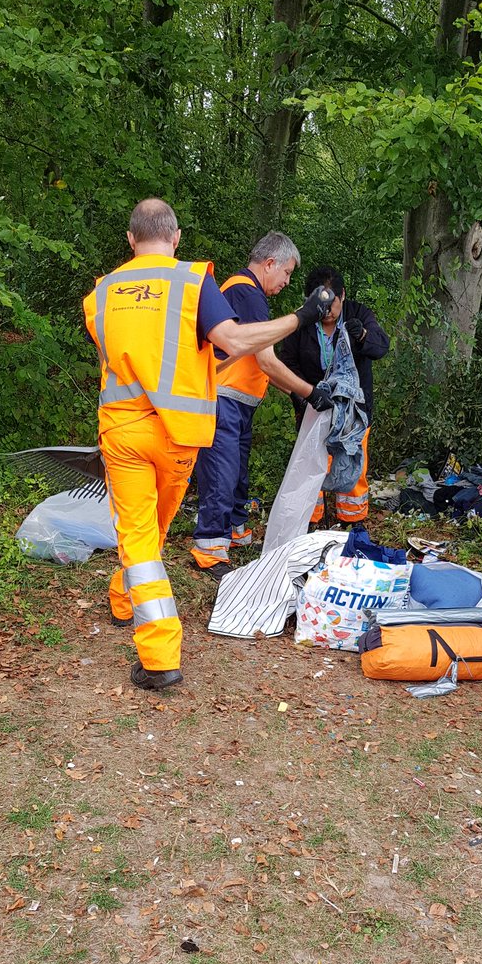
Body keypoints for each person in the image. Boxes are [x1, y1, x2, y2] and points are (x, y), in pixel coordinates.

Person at [82, 198, 336, 691]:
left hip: (124, 430)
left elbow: (117, 354)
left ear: (131, 240)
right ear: (175, 238)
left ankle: (123, 597)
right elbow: (236, 343)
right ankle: (158, 654)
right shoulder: (193, 281)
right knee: (146, 530)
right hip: (180, 435)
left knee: (141, 531)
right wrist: (302, 317)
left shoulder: (102, 293)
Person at [190, 233, 332, 576]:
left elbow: (258, 362)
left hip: (236, 401)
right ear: (270, 264)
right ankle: (209, 549)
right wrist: (308, 392)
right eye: (286, 273)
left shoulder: (241, 292)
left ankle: (234, 532)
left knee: (236, 472)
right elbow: (266, 360)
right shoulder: (247, 293)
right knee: (223, 474)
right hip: (223, 399)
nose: (286, 282)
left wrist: (297, 392)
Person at [281, 265, 390, 525]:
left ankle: (353, 522)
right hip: (313, 405)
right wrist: (301, 395)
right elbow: (286, 364)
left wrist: (362, 336)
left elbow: (381, 346)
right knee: (311, 464)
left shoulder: (359, 313)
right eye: (320, 306)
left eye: (333, 303)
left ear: (342, 295)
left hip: (353, 411)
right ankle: (313, 521)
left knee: (352, 464)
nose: (327, 312)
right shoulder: (301, 321)